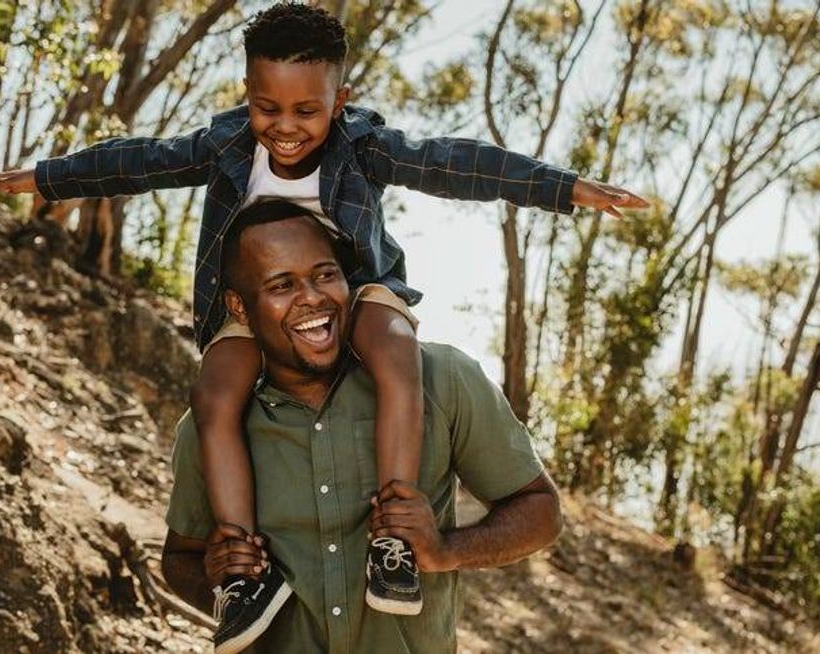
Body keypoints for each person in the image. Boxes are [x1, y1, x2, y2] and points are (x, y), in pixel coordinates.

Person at [0, 3, 646, 649]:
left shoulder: (366, 147)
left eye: (308, 110)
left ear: (341, 97)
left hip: (354, 292)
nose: (286, 127)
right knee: (214, 396)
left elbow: (456, 163)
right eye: (269, 108)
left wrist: (561, 188)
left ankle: (392, 541)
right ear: (248, 95)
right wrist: (48, 177)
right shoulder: (226, 146)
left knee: (396, 355)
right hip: (261, 307)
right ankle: (246, 581)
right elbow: (141, 161)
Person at [160, 199, 564, 654]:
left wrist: (446, 549)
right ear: (240, 306)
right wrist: (215, 579)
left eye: (325, 275)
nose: (313, 297)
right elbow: (178, 559)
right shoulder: (213, 429)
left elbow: (541, 512)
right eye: (281, 285)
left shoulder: (443, 380)